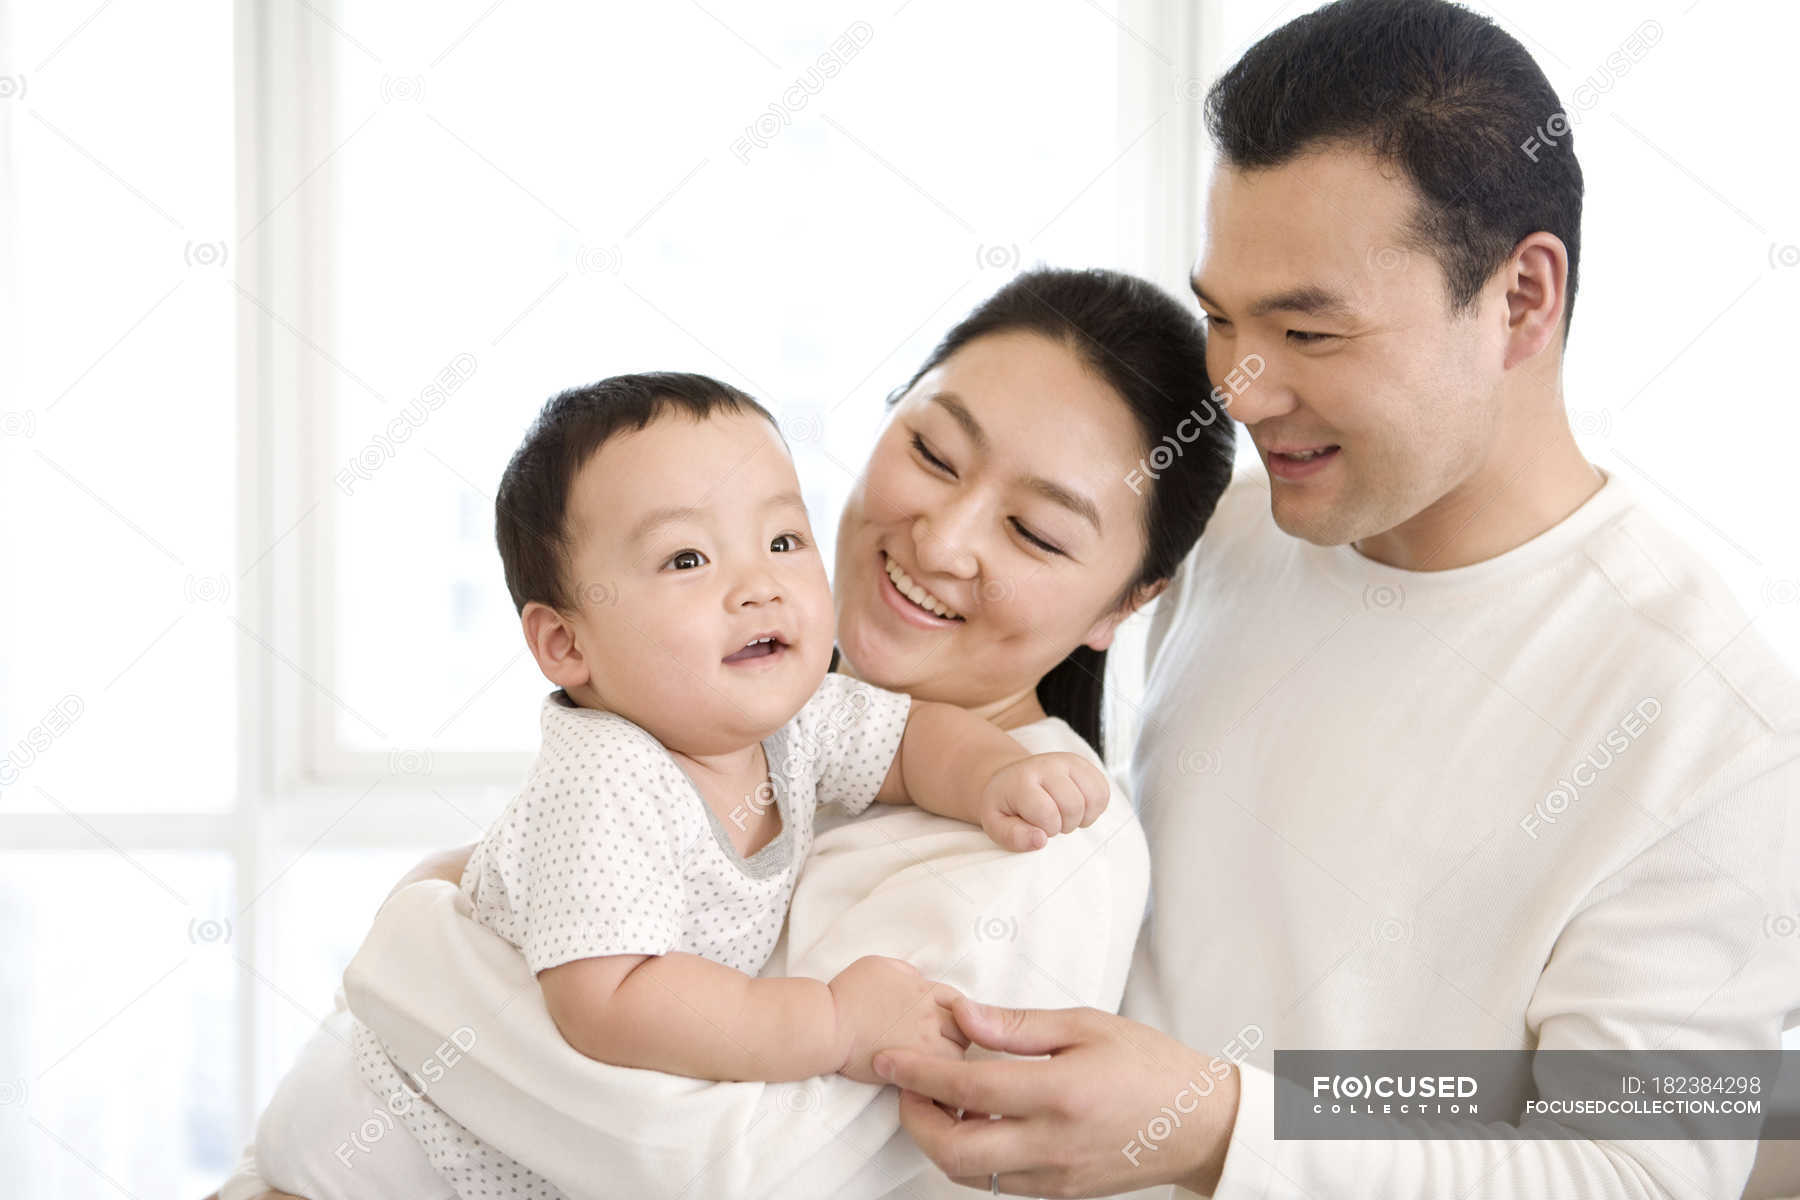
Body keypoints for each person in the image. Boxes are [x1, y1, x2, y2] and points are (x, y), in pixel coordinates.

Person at [870, 2, 1800, 1197]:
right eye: (1219, 319)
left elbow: (1631, 1174)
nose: (1241, 393)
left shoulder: (1718, 735)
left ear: (1522, 298)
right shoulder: (1234, 530)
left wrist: (1214, 1127)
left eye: (1309, 330)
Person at [212, 266, 1238, 1199]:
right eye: (932, 451)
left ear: (1124, 604)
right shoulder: (722, 710)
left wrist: (413, 941)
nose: (942, 537)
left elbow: (724, 1173)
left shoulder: (1043, 855)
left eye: (1035, 530)